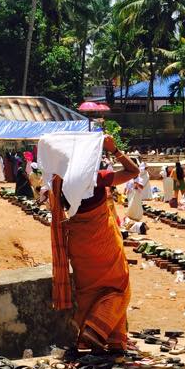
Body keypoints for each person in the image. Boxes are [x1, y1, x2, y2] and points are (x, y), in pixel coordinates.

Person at [43, 133, 139, 353]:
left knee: (89, 291)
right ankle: (95, 331)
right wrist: (115, 150)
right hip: (102, 242)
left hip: (78, 243)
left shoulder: (58, 183)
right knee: (119, 285)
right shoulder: (96, 178)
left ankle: (108, 338)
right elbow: (133, 171)